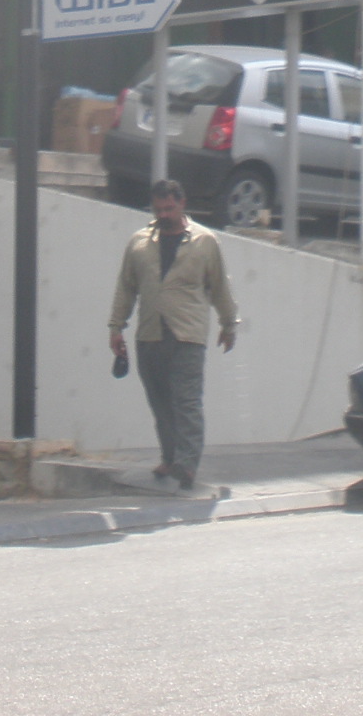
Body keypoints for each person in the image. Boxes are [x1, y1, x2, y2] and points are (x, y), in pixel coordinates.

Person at [108, 179, 239, 492]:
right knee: (160, 401)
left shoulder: (205, 241)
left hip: (187, 335)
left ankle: (187, 463)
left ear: (182, 204)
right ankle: (169, 456)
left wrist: (228, 323)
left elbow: (220, 286)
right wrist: (116, 327)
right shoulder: (140, 242)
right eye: (158, 209)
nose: (164, 214)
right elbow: (126, 288)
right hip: (150, 334)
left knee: (187, 401)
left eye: (169, 208)